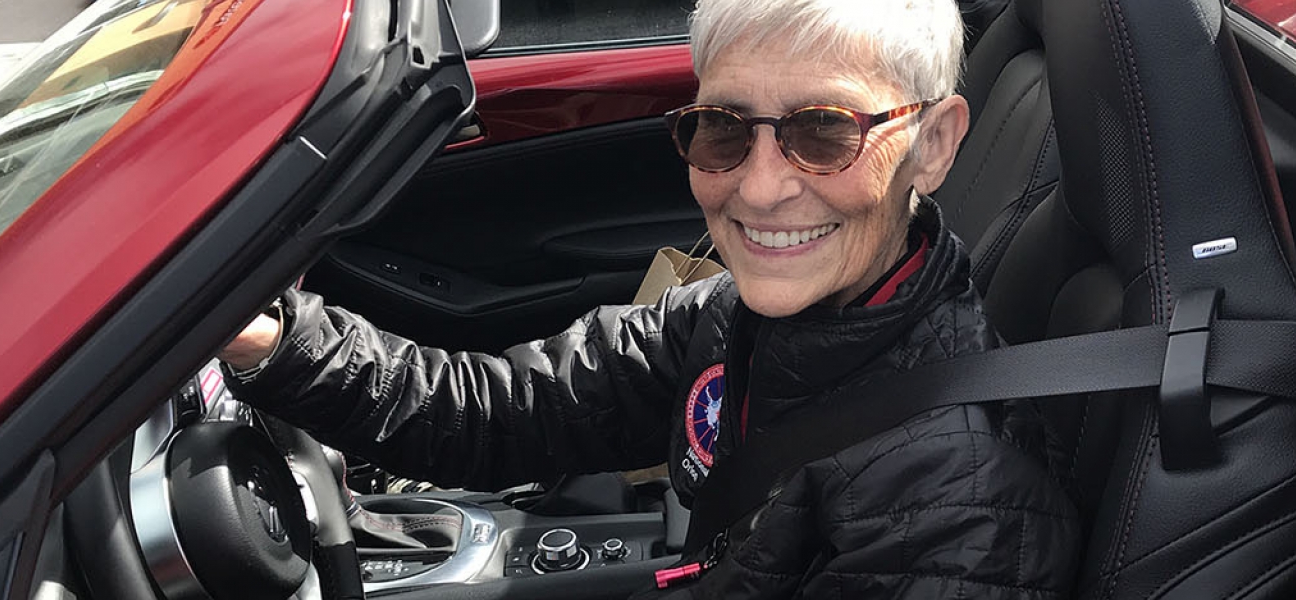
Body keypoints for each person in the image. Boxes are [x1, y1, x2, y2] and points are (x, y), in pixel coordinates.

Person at [219, 0, 1079, 596]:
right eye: (725, 129)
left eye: (826, 132)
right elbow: (511, 414)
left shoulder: (958, 513)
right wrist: (274, 342)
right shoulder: (733, 318)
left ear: (932, 148)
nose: (761, 188)